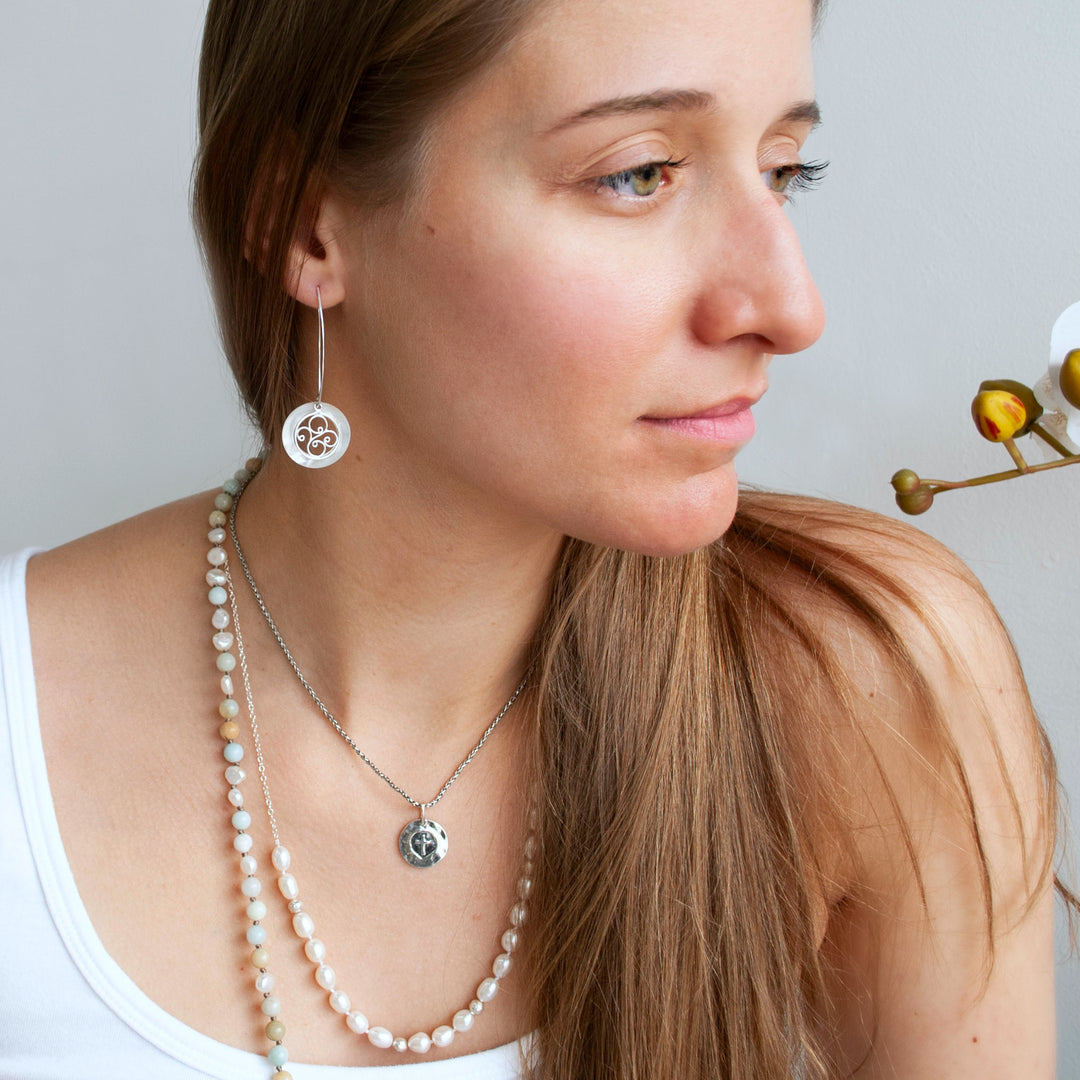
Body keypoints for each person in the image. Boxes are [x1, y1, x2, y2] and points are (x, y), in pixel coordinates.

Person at [0, 0, 1072, 1077]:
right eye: (640, 173)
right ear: (305, 224)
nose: (790, 308)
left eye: (785, 169)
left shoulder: (869, 679)